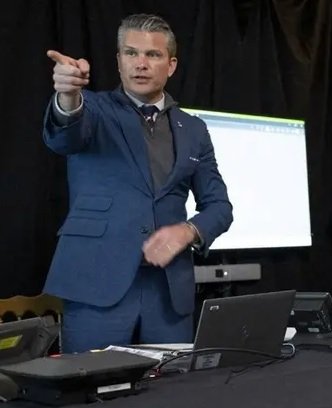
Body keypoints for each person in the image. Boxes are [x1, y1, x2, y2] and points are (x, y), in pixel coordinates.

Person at [43, 14, 233, 353]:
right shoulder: (93, 109)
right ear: (119, 61)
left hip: (168, 294)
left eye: (153, 55)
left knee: (172, 384)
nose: (140, 64)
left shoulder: (194, 129)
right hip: (97, 285)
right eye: (131, 53)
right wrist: (68, 96)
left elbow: (219, 206)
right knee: (93, 384)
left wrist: (188, 231)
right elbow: (64, 137)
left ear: (171, 65)